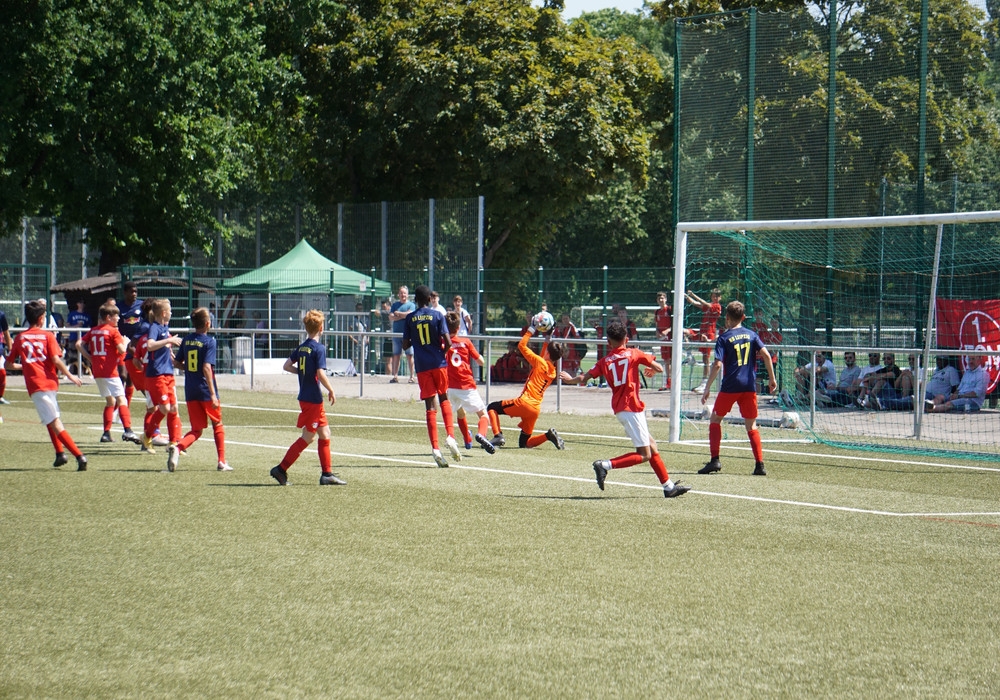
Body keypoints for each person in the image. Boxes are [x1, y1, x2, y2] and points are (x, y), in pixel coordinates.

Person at [561, 319, 690, 498]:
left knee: (652, 446)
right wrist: (653, 370)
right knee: (644, 454)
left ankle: (668, 487)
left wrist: (569, 380)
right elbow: (659, 367)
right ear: (627, 339)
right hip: (632, 408)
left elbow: (584, 378)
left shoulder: (604, 361)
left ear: (608, 342)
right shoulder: (634, 353)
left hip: (621, 408)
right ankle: (604, 465)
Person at [699, 300, 776, 476]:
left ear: (727, 317)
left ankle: (715, 460)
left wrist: (707, 387)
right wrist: (772, 379)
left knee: (715, 419)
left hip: (730, 385)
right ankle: (759, 464)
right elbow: (766, 354)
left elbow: (717, 364)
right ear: (743, 317)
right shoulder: (752, 334)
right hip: (749, 385)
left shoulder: (724, 338)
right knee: (751, 424)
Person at [7, 301, 87, 470]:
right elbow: (56, 360)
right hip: (51, 382)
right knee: (50, 419)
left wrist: (26, 365)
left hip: (36, 385)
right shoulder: (48, 336)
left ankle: (79, 456)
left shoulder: (20, 338)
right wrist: (70, 375)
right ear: (41, 318)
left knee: (54, 421)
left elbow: (8, 364)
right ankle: (60, 453)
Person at [270, 310, 346, 485]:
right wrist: (331, 389)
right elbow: (320, 373)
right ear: (321, 328)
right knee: (308, 436)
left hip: (306, 396)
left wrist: (302, 372)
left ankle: (327, 474)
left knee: (325, 433)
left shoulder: (302, 347)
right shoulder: (319, 348)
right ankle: (281, 469)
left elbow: (286, 366)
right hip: (312, 399)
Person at [486, 312, 566, 451]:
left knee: (492, 407)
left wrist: (531, 328)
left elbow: (522, 346)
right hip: (535, 409)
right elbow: (544, 357)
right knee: (524, 444)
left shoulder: (540, 362)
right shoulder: (552, 371)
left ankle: (498, 435)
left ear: (548, 352)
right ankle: (548, 435)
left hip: (524, 403)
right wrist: (548, 337)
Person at [403, 285, 462, 467]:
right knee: (444, 397)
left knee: (429, 405)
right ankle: (450, 436)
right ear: (429, 299)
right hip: (439, 363)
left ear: (415, 300)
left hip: (422, 366)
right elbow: (448, 342)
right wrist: (441, 353)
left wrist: (417, 342)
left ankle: (435, 448)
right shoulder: (437, 315)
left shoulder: (410, 318)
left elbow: (405, 345)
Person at [170, 307, 231, 471]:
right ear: (207, 323)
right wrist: (213, 394)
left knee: (196, 430)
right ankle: (221, 461)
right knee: (217, 424)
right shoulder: (209, 342)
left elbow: (176, 363)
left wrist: (189, 368)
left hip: (191, 390)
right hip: (205, 390)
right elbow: (206, 367)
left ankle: (178, 448)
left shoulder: (187, 340)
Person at [77, 303, 136, 444]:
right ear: (108, 317)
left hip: (97, 371)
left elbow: (78, 344)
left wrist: (90, 357)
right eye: (116, 316)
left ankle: (106, 433)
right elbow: (122, 350)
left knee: (110, 401)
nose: (118, 319)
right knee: (121, 400)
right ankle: (128, 430)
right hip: (110, 371)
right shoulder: (113, 331)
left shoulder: (94, 330)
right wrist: (125, 342)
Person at [445, 310, 497, 454]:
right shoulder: (466, 342)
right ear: (458, 327)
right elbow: (481, 362)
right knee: (484, 415)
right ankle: (481, 434)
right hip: (466, 385)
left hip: (451, 387)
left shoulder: (443, 343)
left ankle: (467, 439)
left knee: (460, 412)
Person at [144, 299, 184, 471]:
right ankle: (147, 436)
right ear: (164, 313)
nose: (172, 313)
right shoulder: (154, 327)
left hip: (168, 372)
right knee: (165, 408)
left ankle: (173, 443)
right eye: (170, 311)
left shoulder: (165, 328)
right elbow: (150, 345)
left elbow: (164, 349)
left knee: (174, 408)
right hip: (157, 374)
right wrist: (169, 341)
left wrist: (173, 357)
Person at [685, 288, 722, 393]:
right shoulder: (708, 306)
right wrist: (687, 297)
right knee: (684, 332)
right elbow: (696, 304)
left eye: (717, 296)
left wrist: (693, 294)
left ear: (720, 298)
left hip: (708, 334)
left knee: (706, 359)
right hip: (701, 332)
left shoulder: (717, 306)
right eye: (713, 296)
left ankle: (704, 383)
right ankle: (689, 356)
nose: (715, 298)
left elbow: (705, 303)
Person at [118, 281, 144, 406]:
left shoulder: (141, 306)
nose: (134, 294)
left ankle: (125, 407)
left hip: (137, 346)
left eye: (135, 291)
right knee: (123, 375)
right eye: (131, 291)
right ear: (125, 292)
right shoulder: (119, 307)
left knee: (130, 379)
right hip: (123, 345)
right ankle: (118, 405)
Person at [389, 285, 416, 383]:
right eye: (401, 293)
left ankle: (412, 376)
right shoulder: (394, 305)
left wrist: (398, 314)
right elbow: (391, 317)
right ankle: (395, 376)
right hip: (396, 334)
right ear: (398, 294)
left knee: (409, 355)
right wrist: (403, 315)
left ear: (407, 294)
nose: (403, 295)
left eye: (404, 293)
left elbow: (410, 315)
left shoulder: (411, 305)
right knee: (396, 355)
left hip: (408, 334)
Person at [66, 299, 92, 373]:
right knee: (71, 356)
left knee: (84, 356)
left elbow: (89, 327)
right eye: (80, 302)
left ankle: (85, 373)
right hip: (73, 338)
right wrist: (76, 326)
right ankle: (70, 373)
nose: (82, 304)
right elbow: (67, 326)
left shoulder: (87, 315)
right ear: (77, 304)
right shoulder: (72, 314)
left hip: (84, 339)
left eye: (83, 303)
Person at [654, 291, 673, 391]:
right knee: (666, 360)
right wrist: (657, 332)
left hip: (670, 338)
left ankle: (672, 382)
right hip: (663, 339)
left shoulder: (669, 310)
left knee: (671, 360)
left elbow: (674, 324)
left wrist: (668, 330)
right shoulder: (657, 312)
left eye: (662, 298)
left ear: (666, 299)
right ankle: (668, 382)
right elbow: (657, 324)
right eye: (659, 298)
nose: (661, 300)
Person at [0, 307, 11, 405]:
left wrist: (11, 349)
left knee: (2, 373)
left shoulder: (1, 314)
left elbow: (6, 332)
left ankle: (0, 396)